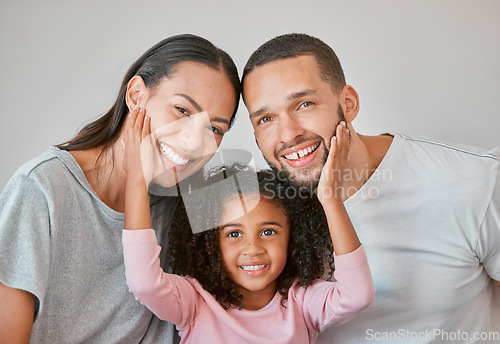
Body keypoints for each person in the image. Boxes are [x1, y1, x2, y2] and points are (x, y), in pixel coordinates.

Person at [241, 33, 500, 343]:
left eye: (304, 104)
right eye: (265, 118)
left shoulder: (475, 180)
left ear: (348, 103)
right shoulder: (256, 211)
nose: (287, 134)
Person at [0, 34, 240, 343]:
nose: (195, 142)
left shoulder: (193, 202)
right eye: (182, 110)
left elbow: (288, 203)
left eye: (214, 128)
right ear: (137, 95)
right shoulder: (41, 189)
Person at [120, 110, 374, 343]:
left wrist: (330, 199)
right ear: (210, 242)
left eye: (268, 231)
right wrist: (136, 182)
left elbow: (357, 295)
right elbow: (145, 284)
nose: (253, 248)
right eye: (233, 233)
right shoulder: (195, 301)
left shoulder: (303, 302)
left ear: (292, 238)